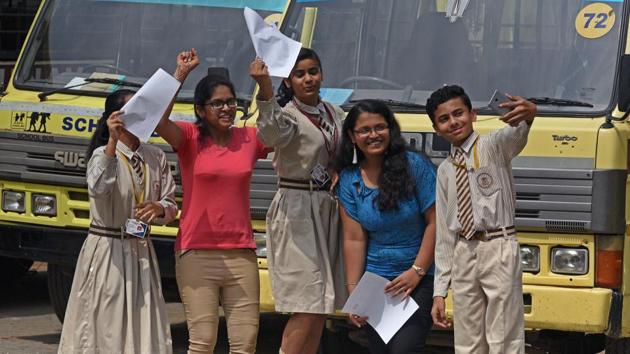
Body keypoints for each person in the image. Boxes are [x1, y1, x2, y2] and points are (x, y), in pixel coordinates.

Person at [155, 49, 270, 354]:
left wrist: (265, 85)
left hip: (241, 253)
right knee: (202, 343)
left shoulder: (249, 138)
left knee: (245, 344)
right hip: (196, 253)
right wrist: (180, 74)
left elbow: (276, 132)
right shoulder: (189, 137)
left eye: (231, 102)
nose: (226, 108)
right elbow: (157, 119)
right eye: (217, 103)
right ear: (201, 109)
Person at [58, 89, 178, 354]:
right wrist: (112, 141)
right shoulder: (102, 154)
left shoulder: (155, 156)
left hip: (141, 250)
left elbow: (171, 203)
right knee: (106, 326)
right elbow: (99, 189)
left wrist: (159, 208)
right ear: (116, 118)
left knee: (144, 323)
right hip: (107, 250)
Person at [249, 48, 346, 354]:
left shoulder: (334, 112)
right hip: (296, 208)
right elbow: (270, 133)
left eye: (313, 71)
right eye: (300, 74)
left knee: (319, 305)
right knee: (305, 301)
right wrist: (265, 88)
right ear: (289, 81)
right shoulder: (287, 114)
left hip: (327, 207)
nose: (308, 79)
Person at [427, 85, 536, 354]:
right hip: (464, 251)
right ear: (436, 128)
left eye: (458, 113)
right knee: (467, 339)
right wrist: (439, 290)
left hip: (498, 245)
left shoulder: (494, 146)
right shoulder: (445, 171)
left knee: (504, 336)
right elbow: (444, 234)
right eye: (444, 119)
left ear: (472, 114)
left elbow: (518, 133)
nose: (453, 122)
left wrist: (530, 114)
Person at [336, 99, 436, 354]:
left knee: (404, 350)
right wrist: (354, 292)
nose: (373, 135)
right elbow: (353, 239)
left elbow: (436, 223)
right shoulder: (349, 179)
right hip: (376, 285)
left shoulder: (415, 166)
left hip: (417, 278)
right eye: (364, 130)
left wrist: (416, 271)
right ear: (352, 136)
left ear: (390, 129)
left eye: (380, 127)